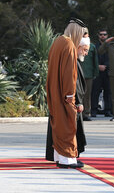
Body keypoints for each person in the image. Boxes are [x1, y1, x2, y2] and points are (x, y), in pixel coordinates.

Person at [45, 18, 87, 169]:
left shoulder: (58, 41)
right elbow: (69, 73)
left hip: (54, 90)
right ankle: (68, 159)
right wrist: (70, 94)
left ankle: (60, 157)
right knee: (68, 125)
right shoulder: (69, 44)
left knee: (58, 125)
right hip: (64, 93)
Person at [91, 30, 112, 118]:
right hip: (97, 72)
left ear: (107, 35)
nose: (103, 36)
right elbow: (92, 58)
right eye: (101, 34)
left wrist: (106, 66)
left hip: (107, 72)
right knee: (95, 92)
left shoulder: (111, 46)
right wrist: (98, 66)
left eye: (104, 34)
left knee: (108, 92)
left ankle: (108, 110)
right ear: (98, 35)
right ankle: (94, 111)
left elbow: (113, 59)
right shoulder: (94, 46)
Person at [79, 29, 99, 121]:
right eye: (83, 35)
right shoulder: (77, 45)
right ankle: (79, 113)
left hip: (89, 74)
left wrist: (95, 72)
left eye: (86, 34)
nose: (84, 36)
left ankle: (86, 113)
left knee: (87, 94)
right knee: (79, 94)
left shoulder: (92, 47)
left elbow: (95, 60)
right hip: (79, 73)